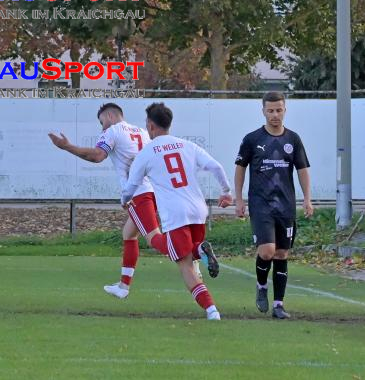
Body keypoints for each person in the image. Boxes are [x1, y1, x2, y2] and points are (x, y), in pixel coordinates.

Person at [48, 103, 210, 299]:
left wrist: (67, 147)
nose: (102, 128)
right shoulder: (143, 131)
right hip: (155, 191)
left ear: (109, 116)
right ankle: (123, 286)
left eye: (102, 122)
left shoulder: (113, 131)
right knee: (128, 233)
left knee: (154, 239)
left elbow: (97, 156)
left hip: (139, 195)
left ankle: (196, 251)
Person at [122, 102, 232, 320]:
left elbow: (131, 186)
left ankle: (212, 311)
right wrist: (226, 191)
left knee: (182, 262)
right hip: (198, 211)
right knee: (186, 255)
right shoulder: (187, 145)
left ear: (151, 126)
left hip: (176, 214)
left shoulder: (146, 153)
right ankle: (200, 250)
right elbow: (216, 167)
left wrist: (125, 200)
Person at [234, 91, 314, 319]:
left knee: (281, 254)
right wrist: (239, 199)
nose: (275, 115)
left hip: (285, 206)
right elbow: (240, 168)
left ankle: (278, 305)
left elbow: (302, 170)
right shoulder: (252, 139)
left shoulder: (293, 139)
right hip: (261, 205)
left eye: (279, 110)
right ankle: (261, 286)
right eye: (270, 110)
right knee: (267, 251)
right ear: (263, 111)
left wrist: (307, 198)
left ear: (285, 110)